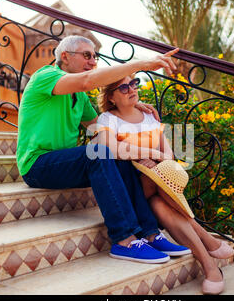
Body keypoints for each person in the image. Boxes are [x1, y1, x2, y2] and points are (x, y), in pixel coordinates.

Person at [17, 35, 190, 265]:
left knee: (115, 154)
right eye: (86, 55)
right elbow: (88, 80)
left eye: (95, 56)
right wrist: (141, 64)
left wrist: (128, 104)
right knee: (98, 151)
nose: (92, 61)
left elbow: (103, 126)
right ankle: (124, 240)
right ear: (65, 57)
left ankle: (149, 233)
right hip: (37, 165)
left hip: (63, 167)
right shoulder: (45, 77)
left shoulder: (78, 96)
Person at [94, 74, 234, 295]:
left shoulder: (148, 116)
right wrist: (148, 155)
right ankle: (206, 238)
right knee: (153, 184)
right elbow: (112, 150)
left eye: (134, 83)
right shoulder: (107, 119)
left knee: (160, 204)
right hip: (130, 186)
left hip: (155, 185)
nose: (132, 89)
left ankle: (209, 267)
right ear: (111, 97)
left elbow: (167, 151)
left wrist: (160, 159)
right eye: (123, 87)